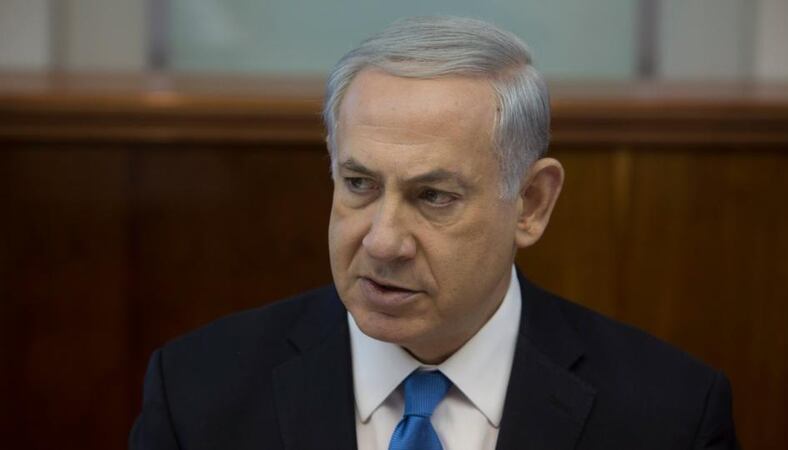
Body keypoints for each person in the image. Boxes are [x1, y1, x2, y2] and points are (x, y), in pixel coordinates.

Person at [129, 16, 739, 450]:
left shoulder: (670, 417)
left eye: (434, 197)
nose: (383, 241)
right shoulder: (197, 396)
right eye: (360, 185)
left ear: (530, 203)